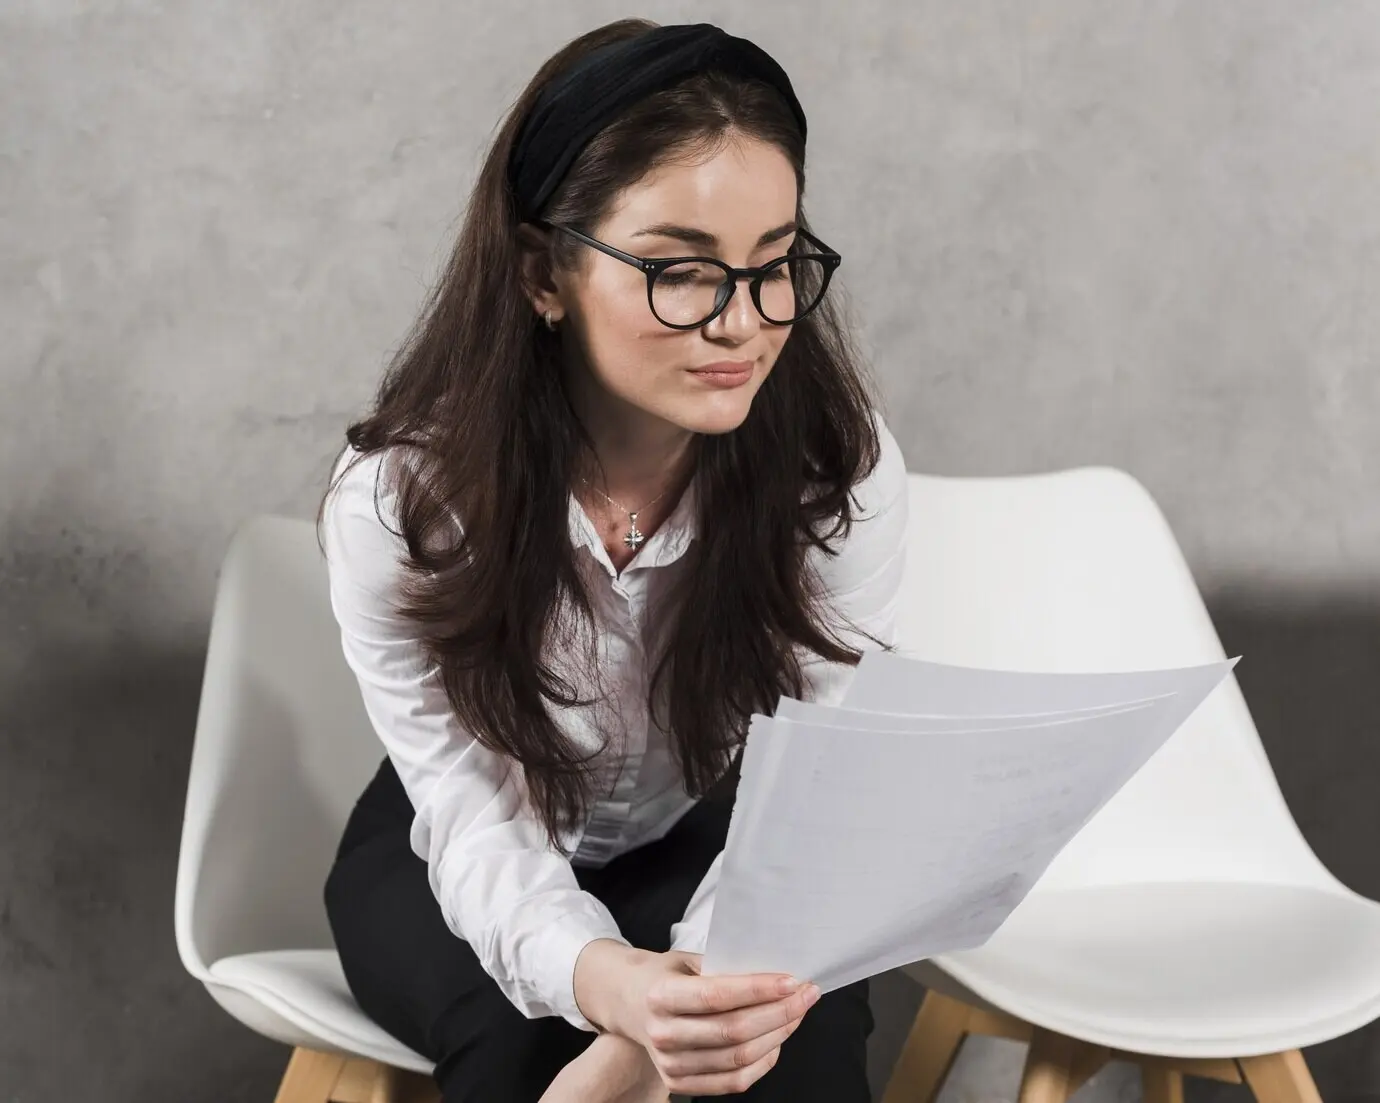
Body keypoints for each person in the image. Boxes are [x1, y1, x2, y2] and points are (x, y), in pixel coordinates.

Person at [316, 18, 909, 1103]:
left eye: (774, 265)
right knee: (515, 1044)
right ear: (544, 271)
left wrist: (642, 1043)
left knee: (791, 1044)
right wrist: (601, 986)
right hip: (448, 835)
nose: (743, 323)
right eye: (682, 271)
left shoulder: (835, 466)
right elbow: (469, 810)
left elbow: (816, 783)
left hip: (704, 828)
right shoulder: (406, 503)